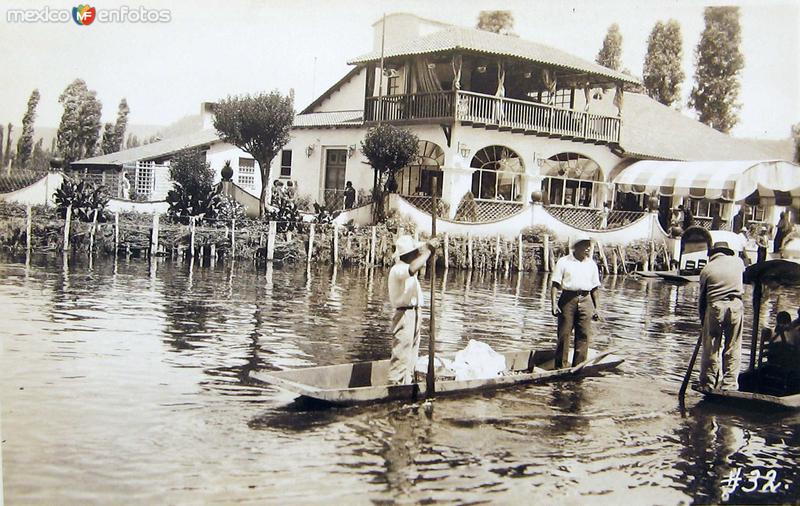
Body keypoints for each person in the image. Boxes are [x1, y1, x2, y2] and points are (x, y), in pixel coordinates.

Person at [387, 235, 439, 385]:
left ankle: (407, 384)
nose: (418, 252)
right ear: (409, 254)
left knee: (411, 355)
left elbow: (416, 265)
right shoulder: (398, 269)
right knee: (401, 354)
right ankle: (394, 385)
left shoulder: (408, 267)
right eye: (415, 251)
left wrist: (428, 250)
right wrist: (428, 252)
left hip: (415, 313)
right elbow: (413, 268)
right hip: (404, 315)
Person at [697, 241, 746, 391]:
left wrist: (702, 321)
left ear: (712, 254)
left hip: (715, 307)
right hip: (736, 305)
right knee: (733, 347)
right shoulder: (738, 262)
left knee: (711, 347)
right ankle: (729, 384)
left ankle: (708, 383)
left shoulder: (707, 269)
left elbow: (702, 299)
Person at [550, 233, 601, 369]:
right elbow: (555, 284)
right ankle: (560, 367)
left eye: (589, 245)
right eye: (584, 245)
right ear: (576, 247)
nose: (588, 248)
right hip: (568, 299)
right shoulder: (564, 262)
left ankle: (579, 367)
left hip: (586, 300)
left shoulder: (592, 264)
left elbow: (595, 288)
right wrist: (554, 304)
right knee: (564, 334)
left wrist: (597, 308)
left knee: (583, 335)